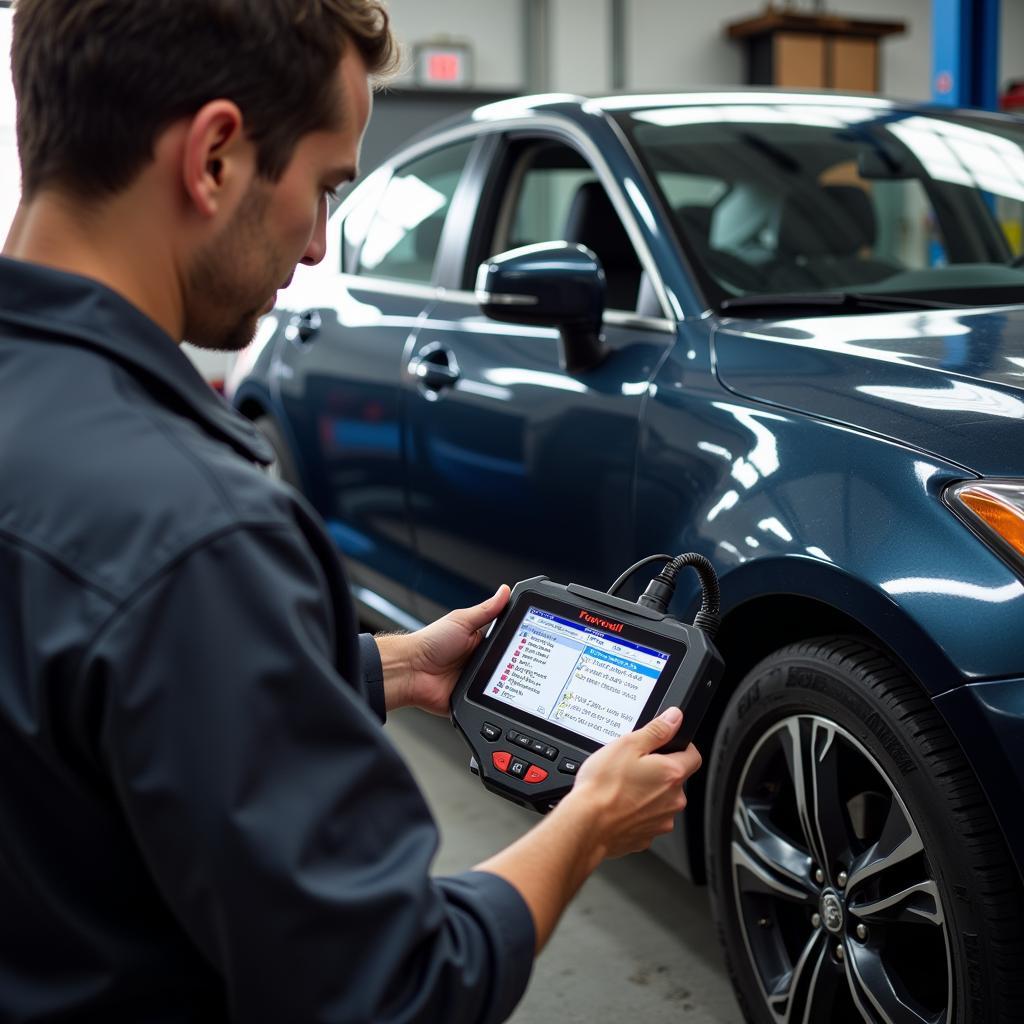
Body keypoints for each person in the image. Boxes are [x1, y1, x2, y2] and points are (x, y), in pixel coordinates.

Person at [0, 1, 704, 1021]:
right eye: (327, 186)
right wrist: (587, 823)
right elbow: (397, 988)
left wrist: (396, 666)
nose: (324, 247)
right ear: (214, 158)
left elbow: (90, 698)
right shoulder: (200, 528)